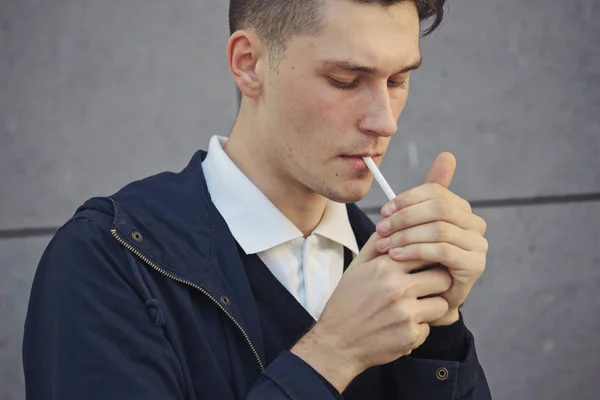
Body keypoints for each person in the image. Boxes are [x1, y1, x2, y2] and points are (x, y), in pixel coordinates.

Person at [22, 0, 492, 398]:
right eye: (347, 80)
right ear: (248, 64)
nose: (384, 121)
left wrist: (442, 330)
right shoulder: (108, 260)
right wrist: (332, 354)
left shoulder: (393, 264)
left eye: (397, 81)